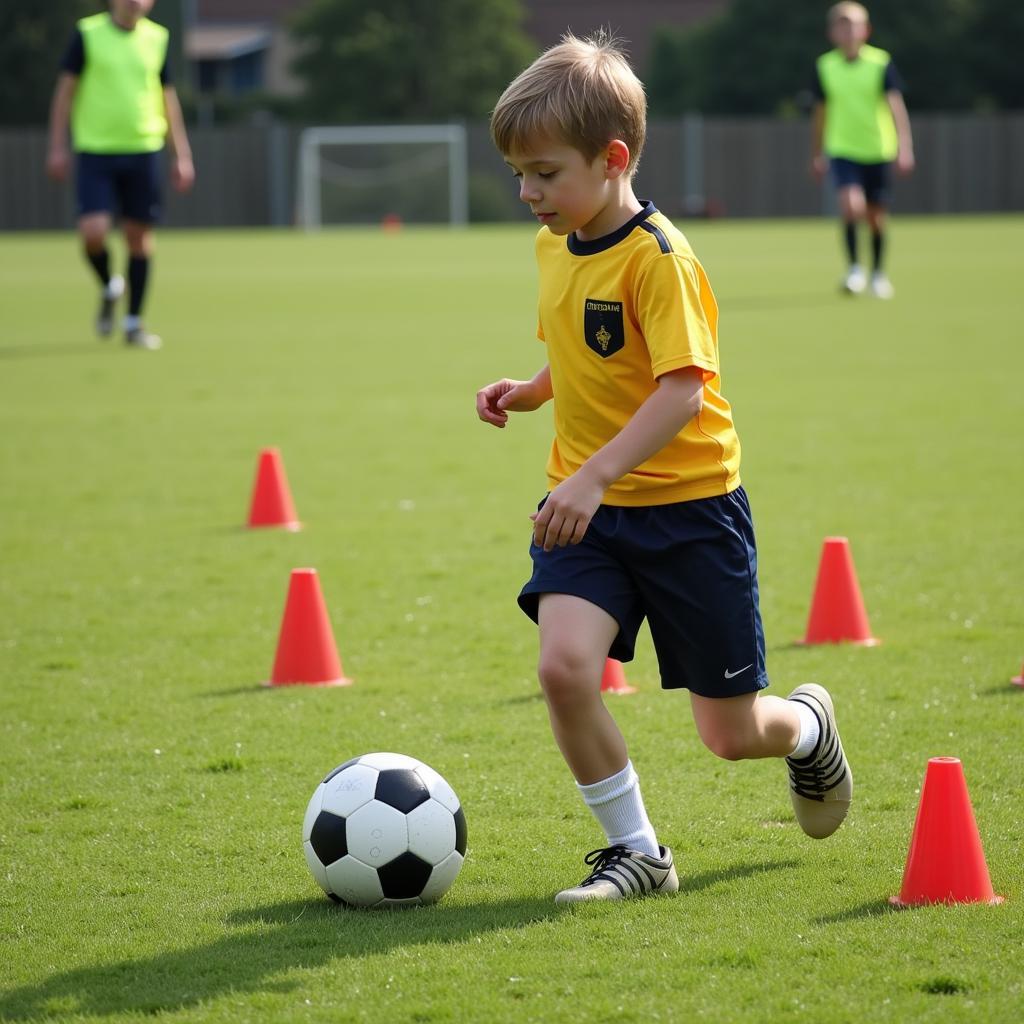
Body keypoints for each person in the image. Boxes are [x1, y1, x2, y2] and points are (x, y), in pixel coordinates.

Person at [476, 33, 852, 904]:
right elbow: (586, 355)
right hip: (590, 514)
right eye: (519, 176)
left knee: (730, 733)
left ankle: (806, 728)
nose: (529, 194)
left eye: (544, 173)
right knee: (563, 669)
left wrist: (594, 474)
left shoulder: (662, 260)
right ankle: (638, 852)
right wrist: (531, 393)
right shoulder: (554, 244)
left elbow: (681, 390)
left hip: (691, 512)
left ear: (613, 159)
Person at [45, 0, 194, 349]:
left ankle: (133, 323)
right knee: (93, 232)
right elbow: (65, 93)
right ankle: (111, 286)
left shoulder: (157, 38)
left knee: (138, 237)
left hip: (143, 148)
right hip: (96, 149)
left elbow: (167, 98)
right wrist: (56, 145)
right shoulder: (88, 34)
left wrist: (181, 154)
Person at [811, 2, 914, 299]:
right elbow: (820, 114)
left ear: (866, 29)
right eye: (842, 25)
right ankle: (855, 269)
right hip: (843, 148)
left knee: (875, 217)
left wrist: (904, 146)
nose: (848, 30)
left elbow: (896, 107)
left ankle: (879, 274)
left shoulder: (881, 63)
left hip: (879, 149)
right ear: (832, 32)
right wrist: (817, 152)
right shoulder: (825, 66)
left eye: (854, 24)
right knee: (850, 206)